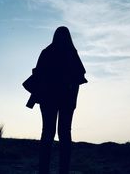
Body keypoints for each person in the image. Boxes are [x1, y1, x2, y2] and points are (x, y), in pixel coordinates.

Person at [24, 26, 87, 174]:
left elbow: (38, 75)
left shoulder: (47, 52)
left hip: (48, 100)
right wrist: (72, 101)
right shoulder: (71, 53)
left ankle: (43, 170)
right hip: (65, 101)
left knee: (47, 133)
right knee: (64, 134)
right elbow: (79, 77)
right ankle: (63, 171)